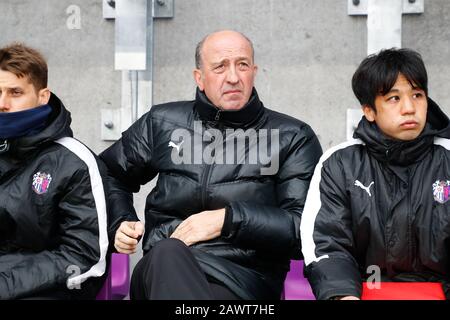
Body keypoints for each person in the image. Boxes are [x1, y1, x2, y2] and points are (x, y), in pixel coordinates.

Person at [100, 30, 322, 300]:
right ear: (199, 78)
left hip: (244, 281)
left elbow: (304, 227)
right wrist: (120, 221)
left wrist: (227, 219)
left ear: (254, 71)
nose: (233, 77)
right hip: (161, 267)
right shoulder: (163, 122)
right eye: (220, 67)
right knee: (168, 252)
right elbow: (108, 174)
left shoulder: (292, 136)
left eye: (242, 65)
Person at [300, 48, 450, 300]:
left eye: (417, 95)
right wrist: (343, 295)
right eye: (394, 98)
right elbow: (327, 245)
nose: (409, 108)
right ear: (369, 111)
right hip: (363, 292)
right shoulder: (339, 163)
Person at [0, 43, 109, 299]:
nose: (2, 103)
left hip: (48, 289)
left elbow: (84, 257)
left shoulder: (73, 160)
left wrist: (5, 283)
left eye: (15, 92)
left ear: (42, 96)